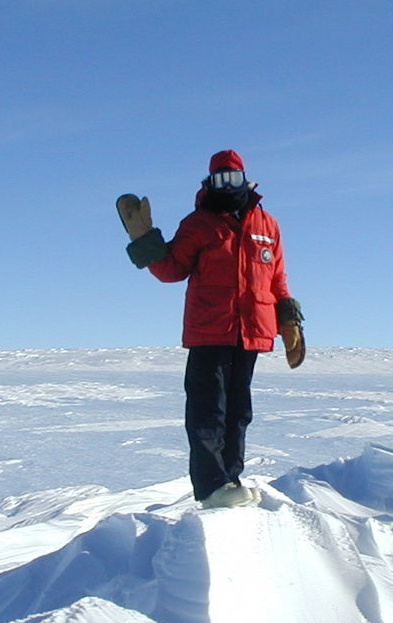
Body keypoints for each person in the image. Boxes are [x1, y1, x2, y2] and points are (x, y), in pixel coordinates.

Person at [120, 149, 304, 508]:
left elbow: (277, 277)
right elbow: (172, 270)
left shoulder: (267, 225)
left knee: (238, 412)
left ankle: (230, 480)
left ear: (246, 179)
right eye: (220, 179)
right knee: (208, 411)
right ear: (210, 182)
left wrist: (289, 320)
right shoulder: (199, 224)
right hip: (210, 330)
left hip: (253, 331)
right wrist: (143, 238)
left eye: (233, 178)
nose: (227, 185)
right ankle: (211, 487)